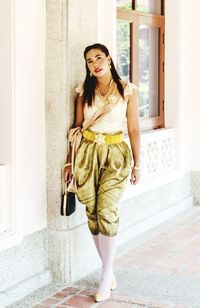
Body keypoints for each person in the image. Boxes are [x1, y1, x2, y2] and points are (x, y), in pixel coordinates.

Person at [64, 43, 140, 302]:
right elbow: (75, 129)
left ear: (109, 59)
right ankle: (109, 271)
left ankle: (105, 276)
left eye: (98, 57)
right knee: (93, 213)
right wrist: (68, 163)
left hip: (116, 155)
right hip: (86, 155)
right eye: (89, 61)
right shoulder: (83, 92)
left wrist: (137, 165)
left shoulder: (126, 91)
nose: (94, 63)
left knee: (107, 210)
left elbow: (134, 130)